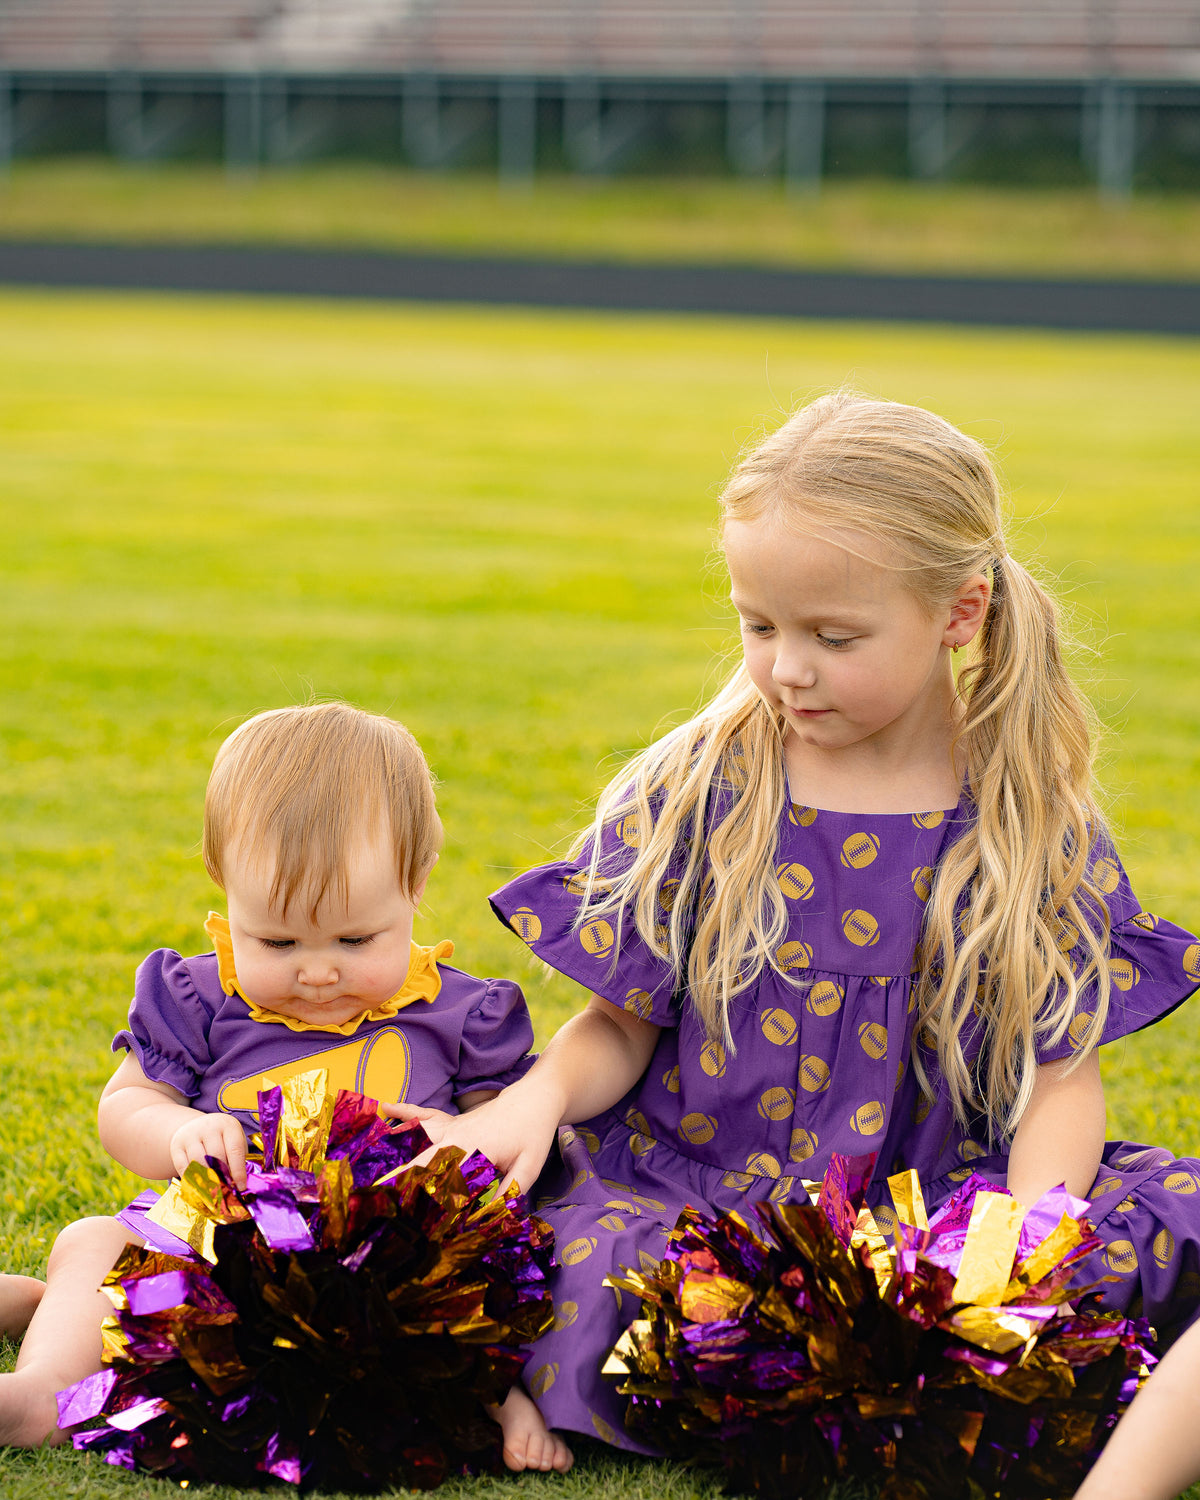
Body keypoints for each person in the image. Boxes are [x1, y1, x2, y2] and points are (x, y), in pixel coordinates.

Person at [395, 391, 1200, 1456]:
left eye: (834, 636)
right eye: (759, 625)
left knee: (1149, 1237)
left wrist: (1025, 1232)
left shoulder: (1022, 817)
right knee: (582, 1269)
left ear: (960, 613)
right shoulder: (705, 786)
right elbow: (621, 1025)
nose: (787, 668)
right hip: (696, 1196)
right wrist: (533, 1101)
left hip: (928, 1210)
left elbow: (1059, 1078)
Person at [0, 703, 571, 1474]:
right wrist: (176, 1131)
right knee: (95, 1243)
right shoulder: (201, 997)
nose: (318, 971)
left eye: (355, 938)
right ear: (222, 883)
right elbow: (123, 1106)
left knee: (468, 1291)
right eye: (277, 940)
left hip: (381, 1272)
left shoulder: (465, 1016)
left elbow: (518, 1144)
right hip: (212, 1250)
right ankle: (42, 1392)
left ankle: (501, 1396)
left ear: (417, 881)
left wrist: (461, 1144)